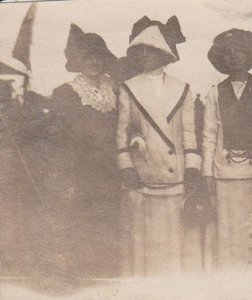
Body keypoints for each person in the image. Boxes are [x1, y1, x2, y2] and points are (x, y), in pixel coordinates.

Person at [21, 24, 121, 285]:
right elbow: (64, 134)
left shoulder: (116, 91)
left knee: (109, 218)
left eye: (98, 56)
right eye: (87, 57)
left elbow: (124, 124)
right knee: (81, 217)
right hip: (81, 168)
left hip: (111, 168)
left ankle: (107, 276)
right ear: (77, 61)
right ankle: (81, 276)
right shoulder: (66, 92)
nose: (93, 62)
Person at [116, 16, 208, 276]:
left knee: (178, 240)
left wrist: (192, 168)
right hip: (143, 177)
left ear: (162, 53)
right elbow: (122, 133)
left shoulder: (184, 89)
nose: (143, 55)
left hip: (176, 176)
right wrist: (126, 166)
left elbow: (190, 134)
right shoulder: (128, 87)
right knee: (146, 244)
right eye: (140, 50)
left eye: (149, 50)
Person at [202, 29, 252, 271]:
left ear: (249, 55)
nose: (234, 57)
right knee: (229, 223)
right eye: (228, 53)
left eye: (239, 51)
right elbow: (209, 134)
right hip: (224, 172)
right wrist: (207, 171)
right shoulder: (215, 92)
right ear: (221, 59)